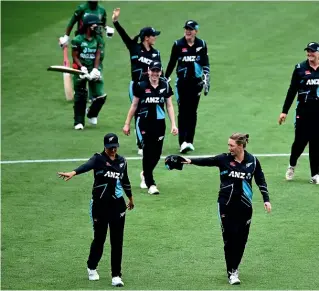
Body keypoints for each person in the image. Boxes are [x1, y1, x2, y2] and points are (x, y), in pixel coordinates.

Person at [165, 133, 271, 285]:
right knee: (229, 239)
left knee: (241, 240)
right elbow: (207, 161)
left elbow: (261, 180)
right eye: (228, 145)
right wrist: (188, 161)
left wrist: (266, 200)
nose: (229, 148)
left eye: (232, 146)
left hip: (245, 207)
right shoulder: (224, 159)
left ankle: (235, 267)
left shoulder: (253, 161)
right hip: (225, 206)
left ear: (240, 146)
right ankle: (232, 272)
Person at [57, 133, 134, 287]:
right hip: (99, 205)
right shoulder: (98, 159)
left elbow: (125, 180)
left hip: (118, 206)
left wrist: (130, 198)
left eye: (115, 147)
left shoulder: (122, 161)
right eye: (110, 147)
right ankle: (92, 267)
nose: (113, 150)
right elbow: (87, 166)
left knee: (117, 242)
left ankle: (116, 275)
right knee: (100, 238)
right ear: (105, 146)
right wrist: (73, 172)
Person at [112, 7, 162, 155]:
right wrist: (115, 21)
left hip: (151, 86)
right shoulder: (134, 47)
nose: (155, 38)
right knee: (139, 113)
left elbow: (160, 70)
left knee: (150, 113)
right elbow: (123, 36)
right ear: (146, 37)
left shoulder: (156, 53)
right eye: (153, 35)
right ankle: (141, 143)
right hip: (136, 86)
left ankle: (148, 139)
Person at [123, 61, 178, 194]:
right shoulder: (141, 85)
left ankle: (145, 174)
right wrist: (127, 123)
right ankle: (150, 183)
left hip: (159, 123)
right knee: (147, 152)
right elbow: (134, 105)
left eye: (157, 71)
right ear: (148, 71)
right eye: (152, 70)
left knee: (157, 154)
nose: (155, 73)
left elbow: (169, 105)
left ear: (160, 71)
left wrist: (173, 124)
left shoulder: (165, 85)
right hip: (144, 123)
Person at [164, 20, 210, 154]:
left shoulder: (201, 44)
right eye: (186, 29)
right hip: (182, 84)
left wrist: (207, 76)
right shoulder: (178, 44)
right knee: (183, 111)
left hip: (196, 84)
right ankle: (182, 142)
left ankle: (189, 141)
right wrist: (165, 78)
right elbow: (172, 62)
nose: (188, 31)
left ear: (196, 31)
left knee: (193, 112)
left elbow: (205, 62)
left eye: (190, 29)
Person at [278, 42, 319, 184]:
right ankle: (292, 165)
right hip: (303, 112)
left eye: (312, 51)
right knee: (300, 143)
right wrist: (284, 111)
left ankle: (315, 174)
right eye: (308, 51)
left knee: (316, 144)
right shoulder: (300, 68)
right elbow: (292, 91)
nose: (309, 54)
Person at [59, 1, 114, 103]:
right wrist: (66, 36)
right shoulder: (82, 8)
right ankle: (80, 91)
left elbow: (102, 23)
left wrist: (107, 29)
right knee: (82, 69)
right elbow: (72, 22)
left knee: (95, 67)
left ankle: (94, 94)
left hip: (96, 40)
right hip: (83, 38)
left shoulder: (101, 10)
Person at [71, 14, 107, 130]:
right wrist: (82, 68)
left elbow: (97, 55)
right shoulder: (77, 39)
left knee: (100, 96)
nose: (98, 27)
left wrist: (95, 70)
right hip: (80, 69)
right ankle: (78, 122)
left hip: (94, 68)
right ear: (88, 26)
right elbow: (75, 56)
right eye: (95, 25)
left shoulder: (98, 39)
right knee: (80, 95)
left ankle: (91, 113)